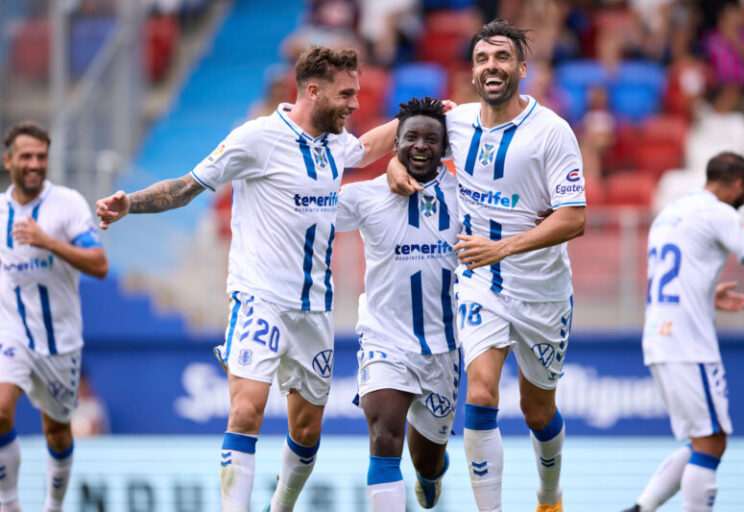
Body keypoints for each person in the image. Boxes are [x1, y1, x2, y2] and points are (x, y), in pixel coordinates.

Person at [95, 46, 397, 512]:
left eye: (357, 93)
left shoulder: (337, 143)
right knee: (247, 409)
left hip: (314, 308)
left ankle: (280, 506)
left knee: (306, 434)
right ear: (312, 91)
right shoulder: (255, 139)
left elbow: (369, 147)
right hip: (258, 297)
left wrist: (430, 115)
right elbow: (185, 187)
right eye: (347, 93)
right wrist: (129, 203)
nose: (355, 103)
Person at [388, 19, 587, 512]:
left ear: (522, 68)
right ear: (472, 71)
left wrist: (504, 247)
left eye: (501, 58)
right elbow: (392, 142)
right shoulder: (454, 123)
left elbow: (574, 218)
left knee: (538, 411)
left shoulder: (552, 132)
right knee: (479, 394)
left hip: (542, 290)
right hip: (479, 281)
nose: (491, 67)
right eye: (482, 59)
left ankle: (548, 494)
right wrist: (394, 163)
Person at [622, 152, 744, 512]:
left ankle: (642, 508)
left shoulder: (671, 212)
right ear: (738, 184)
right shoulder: (719, 212)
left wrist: (706, 293)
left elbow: (675, 273)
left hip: (661, 336)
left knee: (704, 440)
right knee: (710, 441)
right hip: (688, 343)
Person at [335, 97, 461, 511]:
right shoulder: (367, 196)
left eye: (431, 139)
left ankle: (430, 477)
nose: (420, 145)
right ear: (395, 144)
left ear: (445, 148)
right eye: (411, 137)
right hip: (384, 338)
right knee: (383, 436)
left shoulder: (466, 197)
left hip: (443, 347)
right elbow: (310, 208)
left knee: (427, 460)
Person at [0, 121, 108, 512]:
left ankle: (53, 507)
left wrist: (47, 241)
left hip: (60, 341)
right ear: (8, 160)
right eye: (26, 156)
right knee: (0, 410)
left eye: (41, 157)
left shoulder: (68, 204)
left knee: (57, 432)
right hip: (11, 333)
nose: (34, 164)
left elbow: (99, 264)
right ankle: (8, 503)